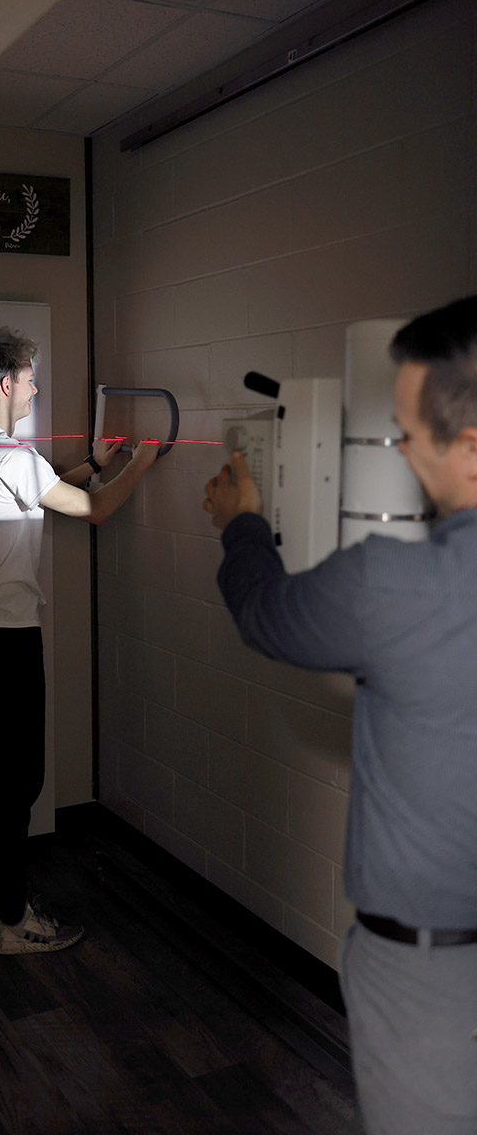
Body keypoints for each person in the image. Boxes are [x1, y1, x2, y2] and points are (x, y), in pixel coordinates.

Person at [202, 295, 477, 1134]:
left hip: (430, 977)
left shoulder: (391, 585)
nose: (397, 449)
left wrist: (241, 522)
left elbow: (265, 613)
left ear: (468, 447)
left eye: (405, 435)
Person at [0, 328, 159, 955]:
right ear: (8, 383)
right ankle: (13, 924)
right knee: (19, 781)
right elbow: (91, 511)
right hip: (8, 640)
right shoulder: (14, 455)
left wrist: (94, 464)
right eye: (31, 377)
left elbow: (39, 491)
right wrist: (140, 464)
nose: (36, 387)